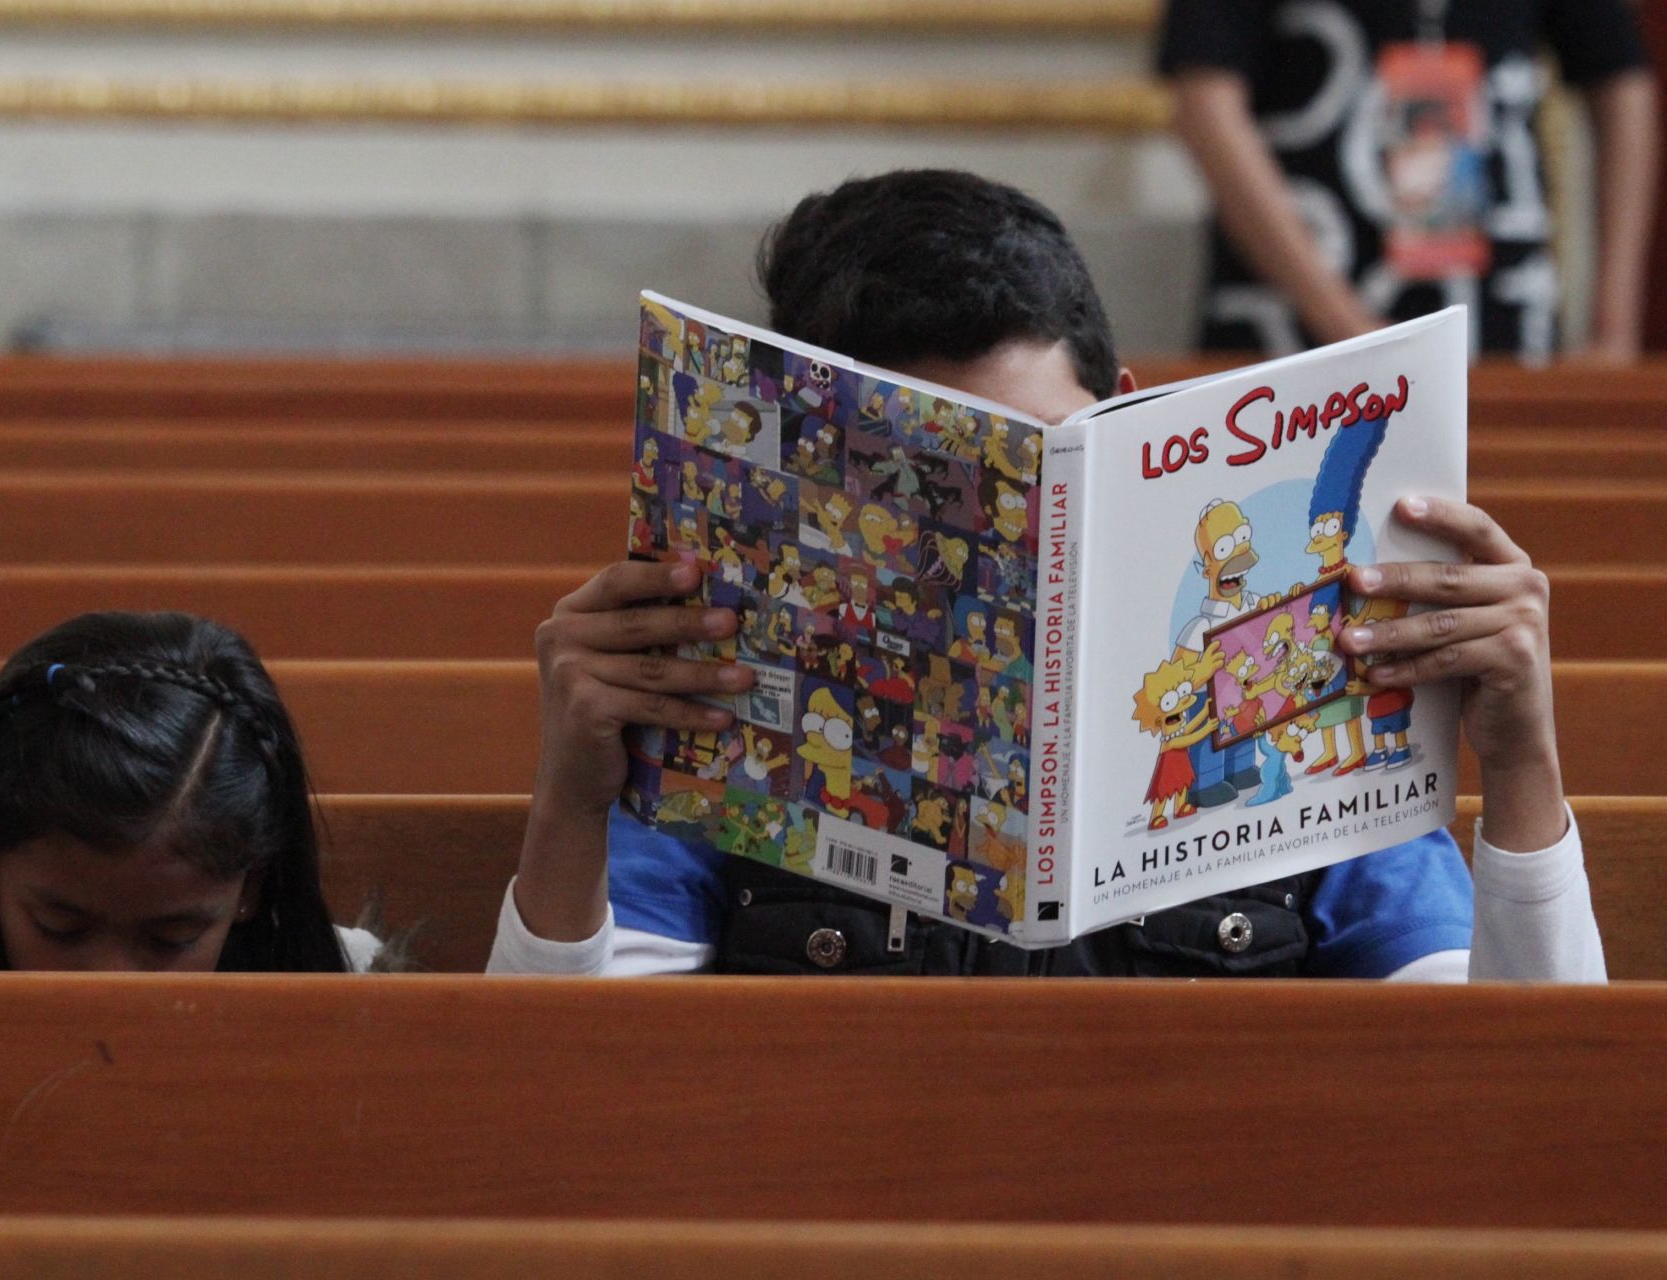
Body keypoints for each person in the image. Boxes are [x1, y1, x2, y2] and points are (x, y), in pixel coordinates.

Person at [487, 168, 1601, 982]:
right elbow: (558, 1116)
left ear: (1121, 415)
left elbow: (1518, 1095)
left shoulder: (1302, 710)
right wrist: (569, 806)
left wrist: (1521, 769)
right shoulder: (718, 724)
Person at [0, 611, 383, 972]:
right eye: (60, 927)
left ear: (250, 890)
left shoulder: (343, 1004)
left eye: (171, 938)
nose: (108, 981)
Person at [1160, 0, 1657, 363]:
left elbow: (1619, 75)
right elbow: (1206, 100)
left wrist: (1613, 329)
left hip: (1495, 323)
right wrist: (1348, 326)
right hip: (1288, 326)